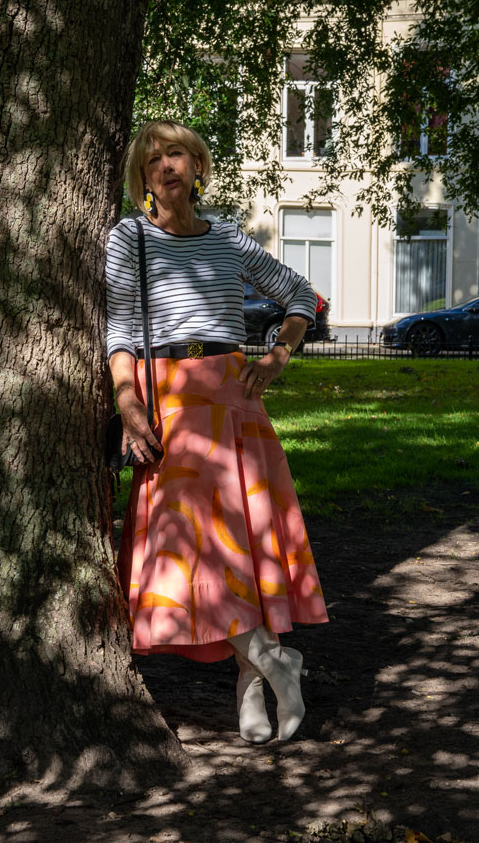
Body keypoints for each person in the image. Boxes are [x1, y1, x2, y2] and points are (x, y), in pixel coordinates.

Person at [106, 120, 328, 744]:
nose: (165, 166)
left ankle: (251, 683)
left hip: (232, 397)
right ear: (141, 176)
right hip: (169, 402)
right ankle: (271, 658)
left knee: (243, 545)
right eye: (153, 159)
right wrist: (129, 406)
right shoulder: (130, 238)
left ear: (198, 165)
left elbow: (300, 295)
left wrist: (278, 355)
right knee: (188, 548)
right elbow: (120, 331)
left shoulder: (229, 239)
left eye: (176, 154)